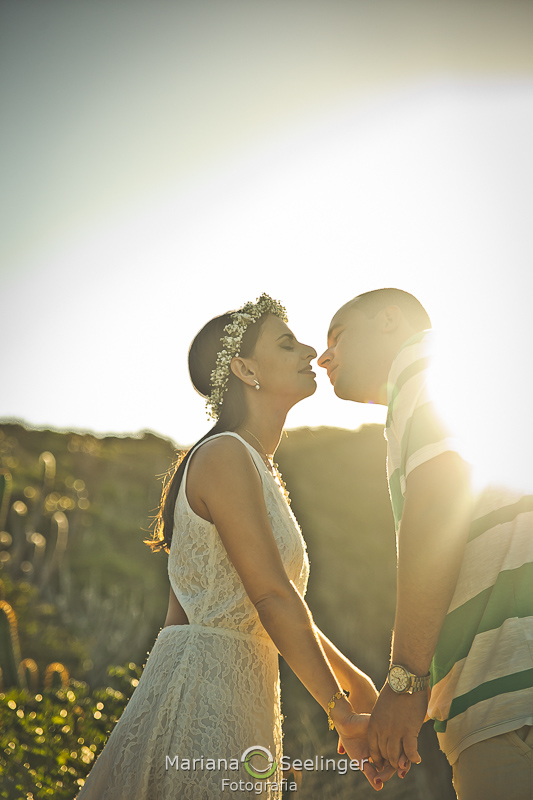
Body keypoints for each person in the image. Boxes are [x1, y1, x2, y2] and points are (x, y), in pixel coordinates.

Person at [76, 293, 405, 800]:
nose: (309, 351)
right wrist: (341, 714)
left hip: (244, 693)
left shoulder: (258, 465)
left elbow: (278, 607)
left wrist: (357, 683)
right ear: (245, 369)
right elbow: (272, 597)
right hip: (201, 694)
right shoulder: (225, 454)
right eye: (287, 343)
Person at [318, 288, 533, 800]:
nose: (323, 356)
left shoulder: (425, 368)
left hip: (509, 696)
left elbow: (439, 502)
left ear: (391, 321)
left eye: (338, 337)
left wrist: (406, 682)